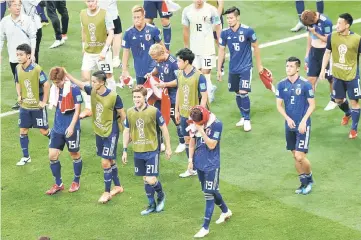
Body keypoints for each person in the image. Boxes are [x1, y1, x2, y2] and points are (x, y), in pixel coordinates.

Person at [67, 70, 126, 203]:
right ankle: (117, 186)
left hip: (111, 133)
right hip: (99, 132)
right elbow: (80, 84)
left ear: (102, 82)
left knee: (105, 162)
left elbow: (123, 115)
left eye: (94, 81)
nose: (91, 83)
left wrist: (128, 132)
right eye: (91, 81)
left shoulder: (114, 97)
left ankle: (106, 192)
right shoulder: (93, 91)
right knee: (110, 161)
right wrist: (67, 74)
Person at [122, 85, 172, 215]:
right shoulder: (130, 112)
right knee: (145, 178)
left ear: (145, 97)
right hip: (138, 151)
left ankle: (161, 195)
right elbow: (126, 131)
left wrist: (168, 147)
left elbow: (164, 129)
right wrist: (125, 150)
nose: (136, 99)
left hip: (151, 150)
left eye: (138, 97)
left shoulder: (154, 111)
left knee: (151, 179)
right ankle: (151, 204)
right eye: (134, 97)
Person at [187, 106, 232, 238]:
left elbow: (211, 144)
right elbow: (192, 143)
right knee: (210, 190)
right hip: (199, 163)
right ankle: (225, 211)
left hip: (212, 165)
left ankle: (205, 227)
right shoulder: (194, 121)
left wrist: (201, 129)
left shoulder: (217, 124)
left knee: (208, 193)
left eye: (199, 122)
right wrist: (190, 159)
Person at [217, 6, 264, 132]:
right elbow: (221, 51)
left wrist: (259, 65)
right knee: (237, 93)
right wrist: (218, 69)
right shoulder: (225, 33)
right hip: (233, 68)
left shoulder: (248, 31)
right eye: (227, 18)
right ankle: (243, 116)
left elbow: (256, 47)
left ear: (238, 17)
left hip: (245, 67)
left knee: (243, 92)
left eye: (231, 18)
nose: (229, 20)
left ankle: (247, 119)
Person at [276, 57, 315, 195]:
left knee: (300, 156)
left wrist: (304, 120)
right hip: (290, 126)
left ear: (298, 68)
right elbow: (279, 105)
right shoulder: (281, 85)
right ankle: (303, 183)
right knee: (294, 155)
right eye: (287, 66)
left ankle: (309, 179)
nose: (288, 68)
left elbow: (312, 105)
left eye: (291, 66)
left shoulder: (305, 84)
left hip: (303, 126)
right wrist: (287, 118)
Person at [320, 13, 361, 139]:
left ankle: (354, 129)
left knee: (354, 102)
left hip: (352, 75)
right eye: (336, 23)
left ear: (347, 25)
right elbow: (327, 53)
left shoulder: (357, 39)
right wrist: (322, 70)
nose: (336, 25)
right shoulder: (332, 37)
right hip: (337, 75)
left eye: (339, 23)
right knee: (338, 100)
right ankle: (348, 113)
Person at [45, 67, 83, 195]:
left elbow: (78, 110)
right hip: (57, 128)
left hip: (71, 127)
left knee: (74, 154)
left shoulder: (73, 89)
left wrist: (72, 126)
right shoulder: (55, 89)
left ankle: (76, 181)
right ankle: (58, 184)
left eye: (58, 82)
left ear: (63, 78)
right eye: (54, 82)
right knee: (52, 156)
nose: (56, 85)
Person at [174, 48, 208, 178]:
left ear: (186, 61)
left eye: (179, 60)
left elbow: (204, 96)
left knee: (198, 140)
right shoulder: (180, 74)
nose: (177, 63)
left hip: (194, 116)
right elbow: (179, 91)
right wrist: (176, 109)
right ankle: (191, 167)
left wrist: (199, 114)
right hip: (183, 113)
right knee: (187, 139)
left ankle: (202, 166)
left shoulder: (199, 76)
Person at [15, 43, 50, 166]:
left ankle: (57, 141)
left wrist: (44, 101)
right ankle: (26, 157)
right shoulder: (18, 68)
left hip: (37, 107)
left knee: (44, 131)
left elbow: (46, 84)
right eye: (17, 54)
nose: (18, 57)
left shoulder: (37, 69)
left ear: (28, 56)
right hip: (25, 107)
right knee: (23, 130)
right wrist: (19, 94)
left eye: (21, 55)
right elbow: (17, 82)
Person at [79, 0, 115, 119]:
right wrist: (83, 45)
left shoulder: (105, 13)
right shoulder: (82, 14)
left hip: (102, 53)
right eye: (88, 1)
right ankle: (89, 107)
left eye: (93, 1)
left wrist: (105, 50)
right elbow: (84, 30)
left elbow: (111, 33)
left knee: (108, 76)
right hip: (89, 53)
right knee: (84, 77)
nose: (91, 3)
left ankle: (112, 103)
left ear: (97, 1)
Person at [148, 43, 186, 154]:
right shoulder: (159, 61)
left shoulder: (174, 63)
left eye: (156, 58)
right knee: (158, 117)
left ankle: (182, 142)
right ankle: (160, 143)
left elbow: (179, 81)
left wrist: (165, 84)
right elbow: (157, 68)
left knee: (176, 118)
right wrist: (151, 74)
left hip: (173, 96)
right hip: (161, 95)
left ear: (162, 53)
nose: (156, 61)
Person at [0, 0, 37, 110]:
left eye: (19, 5)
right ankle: (21, 99)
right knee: (17, 79)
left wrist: (33, 54)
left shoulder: (27, 19)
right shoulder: (5, 22)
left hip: (27, 56)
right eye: (15, 5)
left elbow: (33, 37)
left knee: (29, 78)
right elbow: (1, 38)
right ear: (9, 7)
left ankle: (32, 98)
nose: (18, 7)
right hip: (13, 56)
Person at [182, 0, 221, 103]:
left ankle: (208, 92)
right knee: (198, 72)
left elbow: (218, 26)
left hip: (208, 47)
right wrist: (186, 47)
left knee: (206, 71)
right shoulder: (187, 11)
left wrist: (221, 43)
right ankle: (205, 90)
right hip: (194, 48)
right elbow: (185, 30)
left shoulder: (211, 10)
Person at [301, 9, 337, 111]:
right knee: (311, 79)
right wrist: (307, 53)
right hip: (314, 52)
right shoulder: (308, 19)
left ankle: (333, 99)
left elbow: (328, 40)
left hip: (326, 52)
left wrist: (315, 33)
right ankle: (309, 103)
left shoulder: (326, 22)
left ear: (315, 19)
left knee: (331, 78)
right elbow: (309, 36)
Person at [121, 5, 163, 85]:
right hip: (139, 71)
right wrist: (124, 70)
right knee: (141, 94)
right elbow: (126, 52)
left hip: (153, 69)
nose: (136, 20)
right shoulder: (128, 33)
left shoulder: (153, 30)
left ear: (144, 16)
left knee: (155, 95)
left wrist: (162, 63)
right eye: (134, 17)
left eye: (138, 17)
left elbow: (162, 47)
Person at [98, 0, 122, 68]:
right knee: (117, 35)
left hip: (98, 13)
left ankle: (101, 56)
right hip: (112, 13)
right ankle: (115, 60)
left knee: (102, 34)